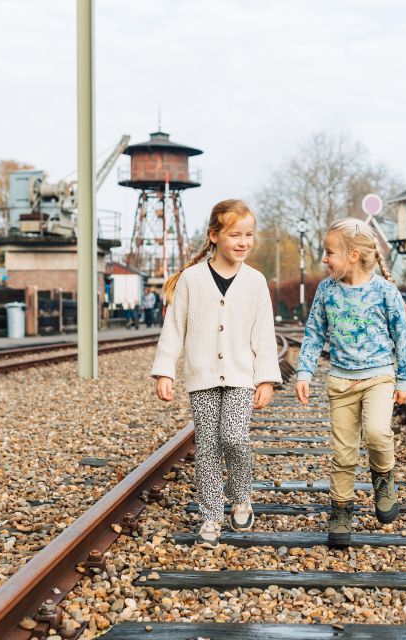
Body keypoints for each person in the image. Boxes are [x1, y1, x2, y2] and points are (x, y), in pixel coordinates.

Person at [151, 199, 282, 548]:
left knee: (234, 437)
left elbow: (264, 333)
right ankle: (211, 515)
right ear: (214, 236)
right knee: (208, 446)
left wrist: (266, 378)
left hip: (241, 377)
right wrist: (165, 371)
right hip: (202, 377)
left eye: (249, 235)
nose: (243, 242)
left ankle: (241, 495)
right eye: (235, 235)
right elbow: (174, 328)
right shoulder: (192, 280)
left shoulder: (255, 281)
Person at [295, 218, 406, 548]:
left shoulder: (384, 292)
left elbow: (402, 336)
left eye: (329, 252)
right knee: (343, 453)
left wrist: (404, 378)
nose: (324, 259)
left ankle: (384, 478)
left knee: (377, 434)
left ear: (354, 255)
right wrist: (305, 372)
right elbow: (314, 333)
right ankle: (341, 510)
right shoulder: (326, 290)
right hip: (340, 382)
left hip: (378, 377)